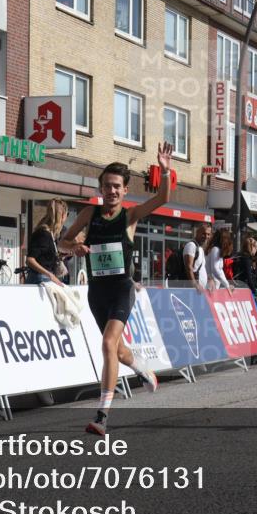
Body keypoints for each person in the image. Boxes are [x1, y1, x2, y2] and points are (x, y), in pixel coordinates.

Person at [60, 145, 171, 436]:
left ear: (125, 191)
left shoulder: (130, 217)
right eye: (107, 186)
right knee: (118, 350)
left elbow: (163, 197)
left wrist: (166, 169)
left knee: (108, 344)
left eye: (116, 187)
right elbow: (62, 243)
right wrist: (76, 247)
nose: (111, 191)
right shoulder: (89, 213)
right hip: (97, 292)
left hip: (122, 289)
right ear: (101, 188)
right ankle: (143, 369)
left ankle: (102, 416)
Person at [25, 199, 69, 286]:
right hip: (40, 279)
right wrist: (50, 275)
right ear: (62, 215)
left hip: (42, 278)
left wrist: (60, 256)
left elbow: (42, 258)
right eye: (67, 214)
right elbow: (30, 260)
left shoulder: (49, 234)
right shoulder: (44, 234)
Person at [234, 234, 257, 298]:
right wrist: (256, 294)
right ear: (252, 247)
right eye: (256, 247)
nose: (256, 250)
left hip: (238, 287)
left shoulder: (240, 256)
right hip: (243, 290)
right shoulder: (247, 259)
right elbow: (249, 278)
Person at [181, 223, 211, 291]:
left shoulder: (200, 248)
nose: (206, 236)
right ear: (197, 232)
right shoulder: (191, 245)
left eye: (208, 234)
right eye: (204, 233)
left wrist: (209, 279)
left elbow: (201, 268)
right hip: (192, 290)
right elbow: (189, 267)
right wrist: (195, 284)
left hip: (200, 290)